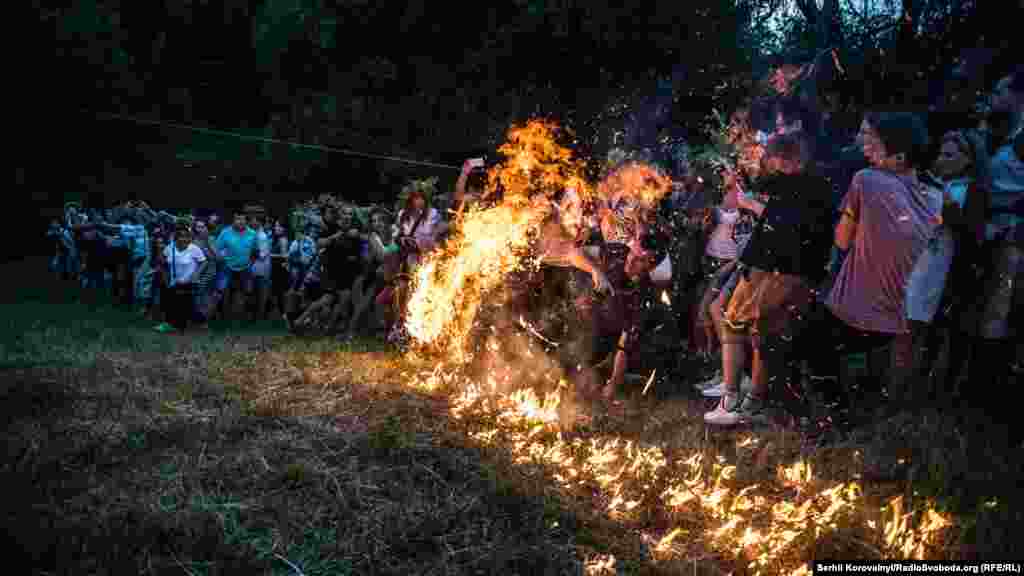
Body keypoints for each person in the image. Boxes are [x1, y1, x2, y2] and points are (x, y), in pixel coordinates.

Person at [806, 112, 938, 425]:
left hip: (851, 301)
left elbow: (842, 238)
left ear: (899, 154)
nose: (865, 148)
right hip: (895, 312)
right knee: (868, 370)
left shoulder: (867, 180)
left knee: (812, 350)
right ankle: (866, 424)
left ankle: (835, 421)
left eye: (873, 142)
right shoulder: (933, 197)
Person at [704, 132, 833, 426]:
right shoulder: (788, 182)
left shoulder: (812, 187)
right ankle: (751, 401)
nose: (766, 165)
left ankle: (738, 397)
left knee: (741, 323)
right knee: (759, 332)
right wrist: (738, 174)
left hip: (785, 272)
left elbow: (793, 228)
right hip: (770, 268)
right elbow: (760, 188)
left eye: (770, 159)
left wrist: (751, 205)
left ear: (786, 159)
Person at [156, 222, 206, 334]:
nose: (184, 239)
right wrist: (159, 249)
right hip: (173, 281)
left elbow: (203, 262)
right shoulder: (170, 248)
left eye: (186, 236)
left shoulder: (194, 249)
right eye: (181, 236)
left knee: (187, 306)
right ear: (176, 238)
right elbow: (162, 261)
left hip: (188, 282)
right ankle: (170, 324)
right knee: (170, 303)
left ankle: (195, 322)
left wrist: (195, 275)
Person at [211, 210, 256, 322]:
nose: (240, 221)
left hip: (245, 267)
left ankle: (246, 318)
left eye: (242, 219)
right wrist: (220, 259)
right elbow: (217, 248)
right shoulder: (225, 233)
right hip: (227, 267)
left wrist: (250, 262)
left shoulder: (252, 234)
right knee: (221, 290)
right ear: (233, 220)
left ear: (246, 221)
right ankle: (219, 317)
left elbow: (255, 251)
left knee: (248, 291)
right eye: (237, 219)